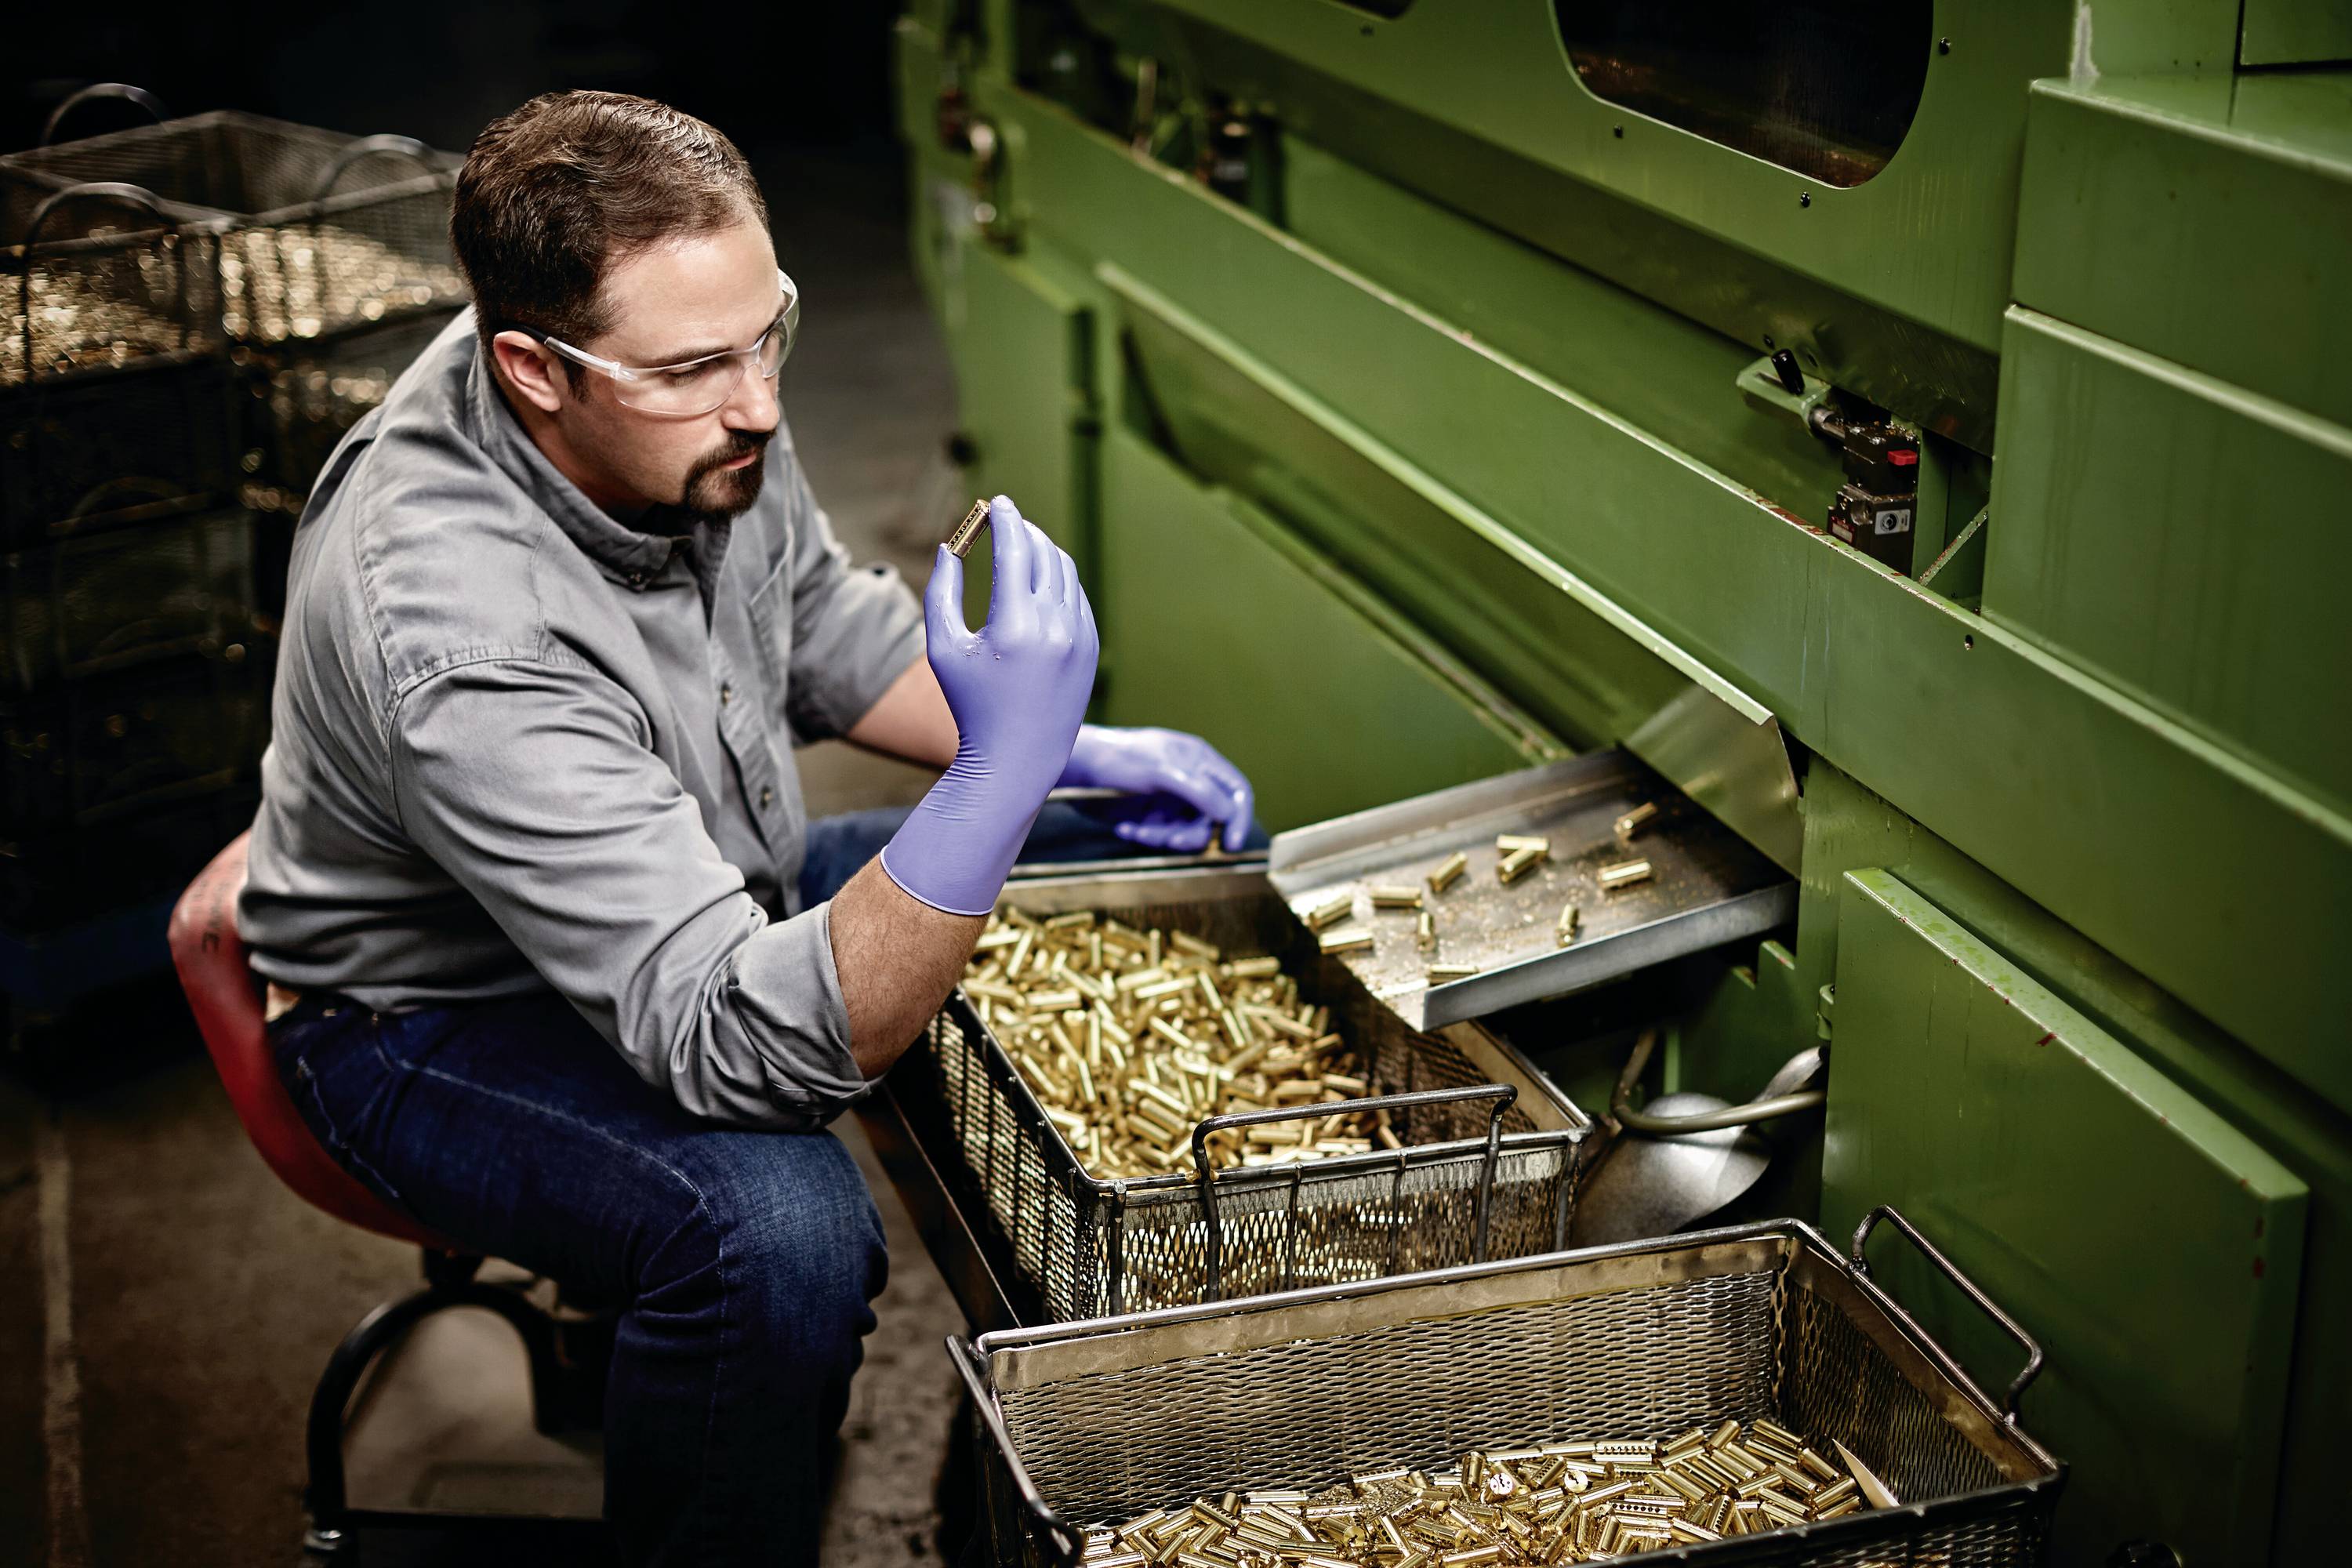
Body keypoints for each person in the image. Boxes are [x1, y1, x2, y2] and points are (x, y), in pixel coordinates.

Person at [237, 89, 1254, 1566]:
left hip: (697, 871)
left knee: (1130, 857)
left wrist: (1078, 757)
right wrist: (993, 773)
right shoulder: (458, 626)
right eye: (700, 368)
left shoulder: (668, 405)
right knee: (771, 1243)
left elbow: (823, 630)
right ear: (530, 370)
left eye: (767, 329)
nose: (761, 405)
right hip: (426, 1016)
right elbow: (736, 1039)